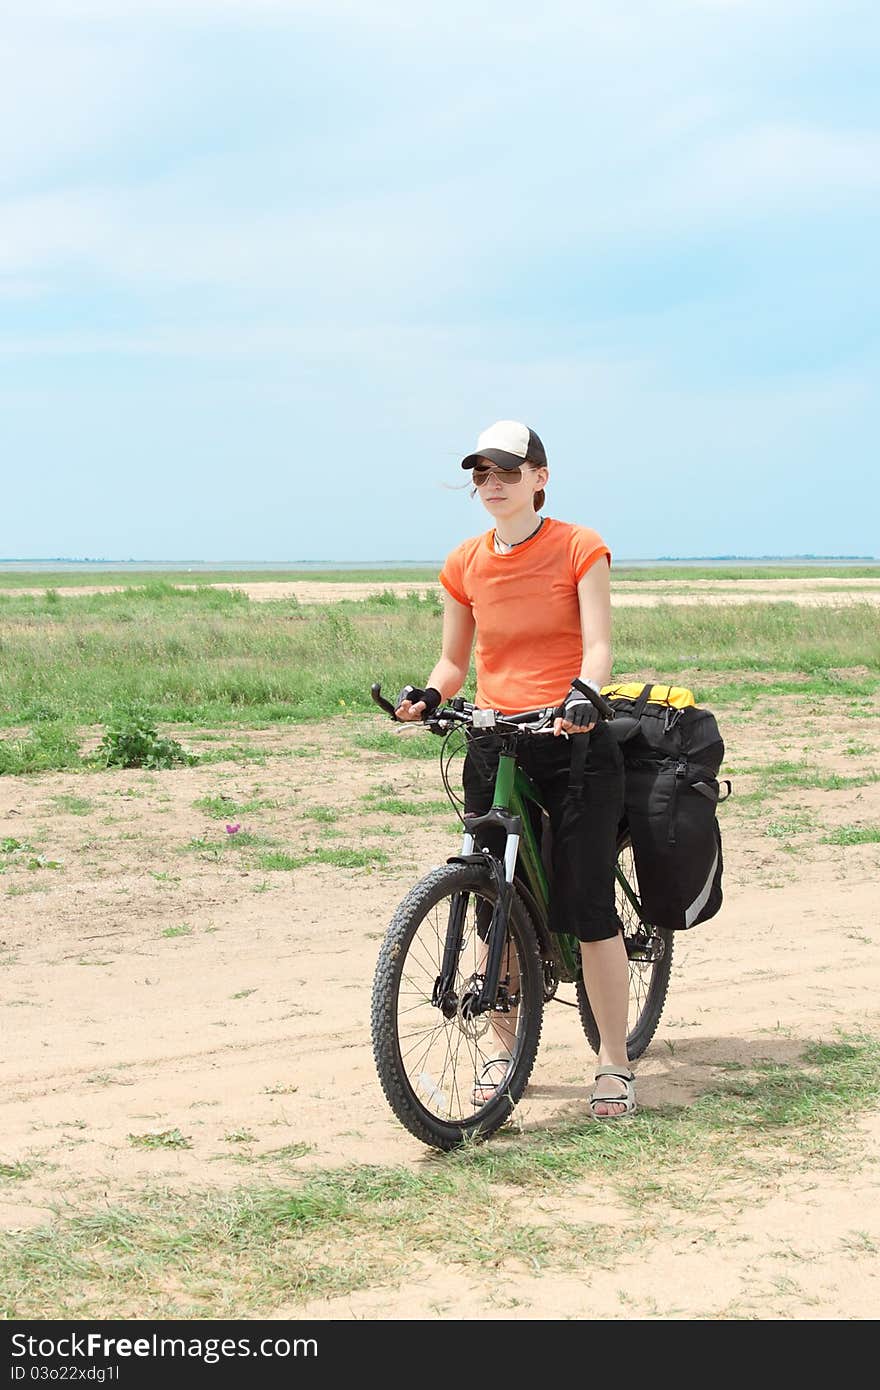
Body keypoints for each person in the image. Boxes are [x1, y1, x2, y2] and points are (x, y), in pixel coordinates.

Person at [395, 420, 635, 1119]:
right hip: (496, 739)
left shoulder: (579, 547)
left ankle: (614, 1062)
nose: (492, 486)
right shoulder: (464, 562)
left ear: (540, 477)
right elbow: (452, 661)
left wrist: (584, 698)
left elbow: (598, 647)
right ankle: (504, 1053)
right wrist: (429, 696)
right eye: (481, 476)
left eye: (506, 472)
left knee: (587, 902)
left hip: (572, 737)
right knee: (490, 896)